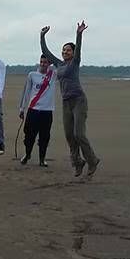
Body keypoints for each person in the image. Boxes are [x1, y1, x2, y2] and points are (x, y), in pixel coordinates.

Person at [40, 22, 101, 178]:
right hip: (66, 103)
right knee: (69, 135)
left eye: (68, 50)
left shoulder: (74, 63)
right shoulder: (59, 64)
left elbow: (79, 49)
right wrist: (42, 36)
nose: (65, 52)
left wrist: (79, 34)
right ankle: (77, 162)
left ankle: (92, 160)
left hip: (79, 101)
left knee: (79, 134)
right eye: (64, 50)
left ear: (73, 53)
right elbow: (46, 53)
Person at [19, 54, 56, 167]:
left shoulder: (53, 75)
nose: (43, 64)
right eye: (41, 61)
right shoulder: (32, 75)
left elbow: (62, 65)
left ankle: (42, 159)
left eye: (45, 62)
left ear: (49, 64)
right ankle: (27, 154)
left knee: (44, 136)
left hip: (47, 111)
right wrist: (22, 108)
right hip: (33, 110)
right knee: (29, 135)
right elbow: (26, 92)